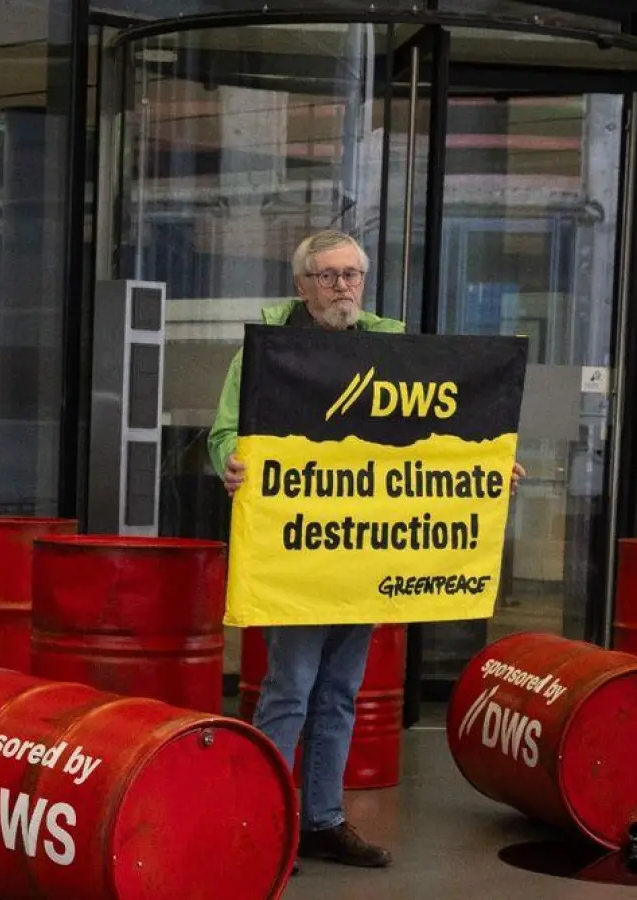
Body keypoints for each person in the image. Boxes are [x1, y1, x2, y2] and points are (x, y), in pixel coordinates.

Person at [206, 230, 521, 870]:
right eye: (328, 276)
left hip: (359, 553)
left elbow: (435, 428)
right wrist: (229, 461)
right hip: (297, 554)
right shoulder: (266, 353)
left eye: (352, 274)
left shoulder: (389, 347)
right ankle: (261, 821)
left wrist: (486, 464)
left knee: (342, 690)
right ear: (302, 286)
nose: (343, 287)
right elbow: (226, 432)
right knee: (290, 687)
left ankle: (321, 819)